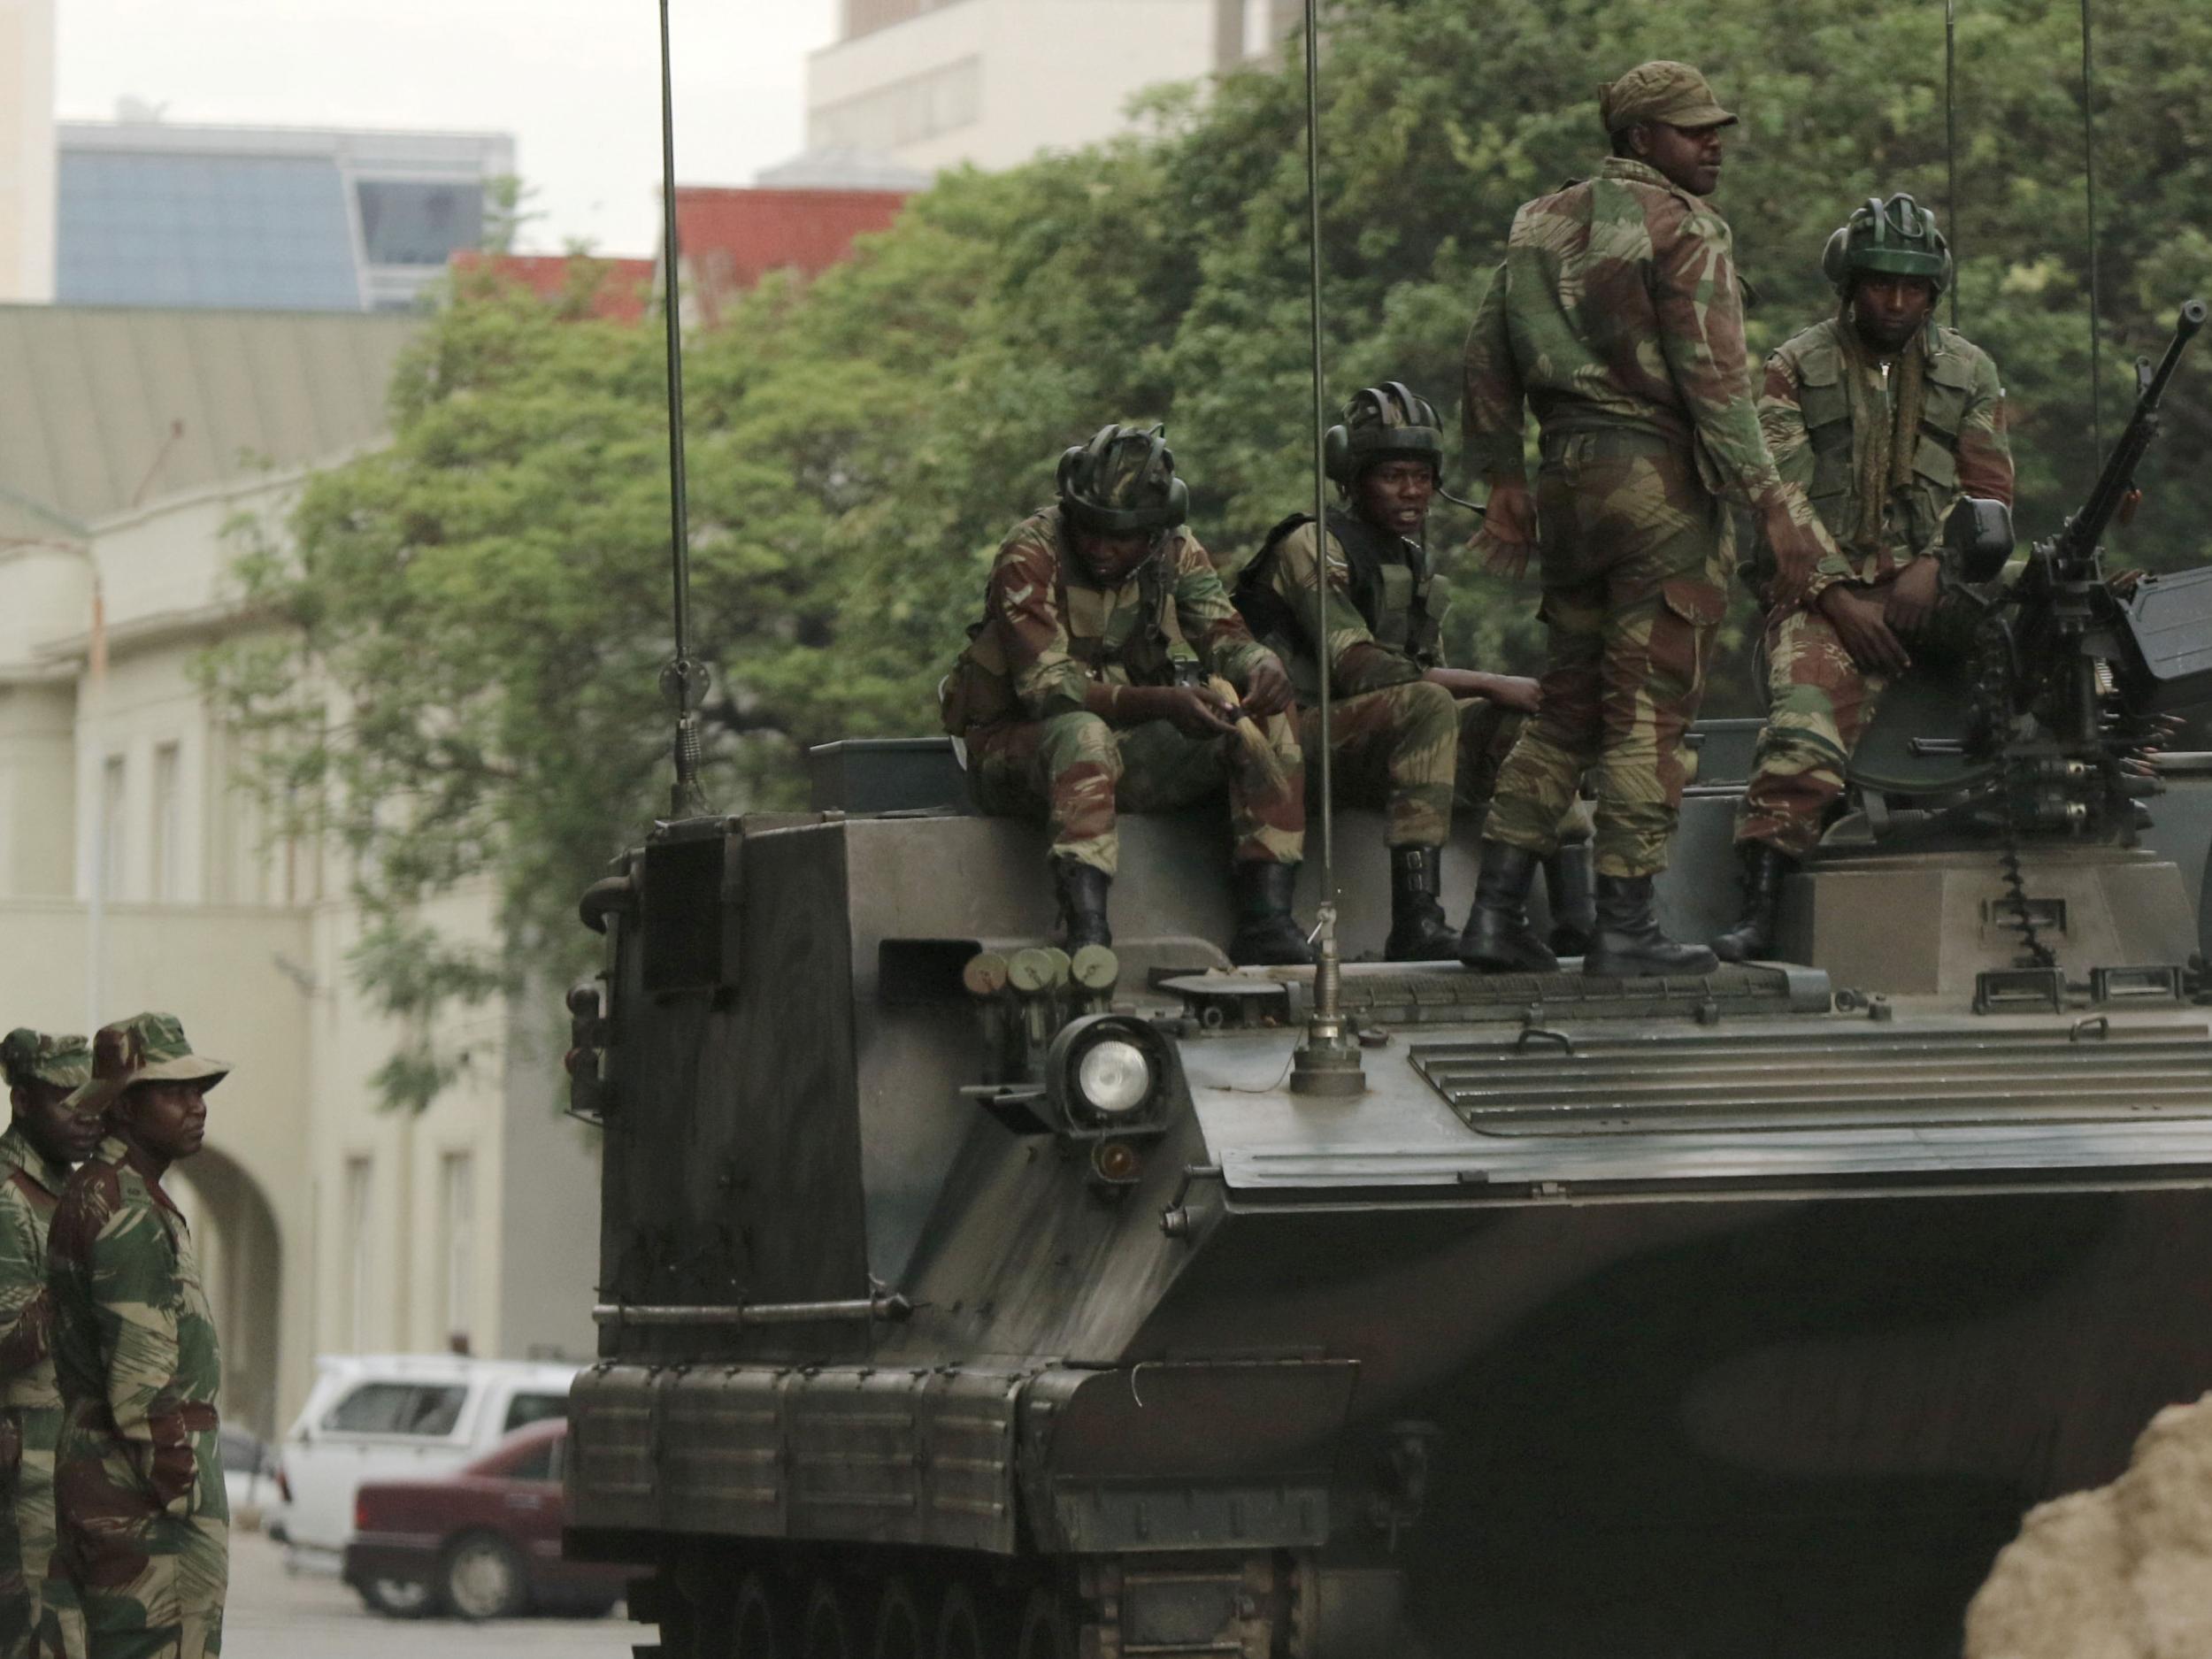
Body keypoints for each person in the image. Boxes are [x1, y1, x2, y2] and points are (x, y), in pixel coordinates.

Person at [1458, 58, 1836, 978]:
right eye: (1689, 128)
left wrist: (1504, 477)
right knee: (1647, 712)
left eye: (1713, 126)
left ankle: (1495, 917)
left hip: (1569, 482)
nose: (1712, 143)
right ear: (1638, 140)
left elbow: (1486, 350)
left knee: (1566, 707)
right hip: (1657, 483)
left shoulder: (1538, 221)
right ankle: (1627, 924)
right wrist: (1774, 511)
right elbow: (1716, 380)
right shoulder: (1687, 226)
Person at [1710, 194, 2014, 961]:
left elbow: (1989, 491)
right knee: (1804, 723)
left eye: (1915, 288)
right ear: (1850, 283)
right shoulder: (1795, 368)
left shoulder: (1968, 370)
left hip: (1935, 586)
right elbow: (1779, 497)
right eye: (1883, 283)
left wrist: (1933, 566)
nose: (1899, 301)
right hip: (1823, 590)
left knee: (2050, 634)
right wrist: (1841, 598)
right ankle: (1764, 902)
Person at [1227, 382, 1591, 960]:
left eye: (1423, 476)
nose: (1412, 491)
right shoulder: (1311, 543)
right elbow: (1360, 667)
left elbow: (1427, 671)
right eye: (1393, 475)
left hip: (1374, 742)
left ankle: (1577, 914)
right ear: (1354, 478)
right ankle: (1417, 919)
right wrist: (1493, 681)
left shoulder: (1412, 562)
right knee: (1437, 703)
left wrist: (1512, 700)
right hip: (1291, 741)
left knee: (1525, 724)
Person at [942, 424, 1314, 964]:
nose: (1100, 547)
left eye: (1121, 536)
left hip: (1129, 748)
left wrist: (1260, 665)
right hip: (1017, 751)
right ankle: (1087, 933)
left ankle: (1267, 917)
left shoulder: (1176, 551)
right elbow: (1048, 689)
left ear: (1156, 531)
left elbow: (1222, 633)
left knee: (1267, 717)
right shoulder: (1030, 552)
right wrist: (1162, 703)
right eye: (1089, 528)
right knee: (1083, 734)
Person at [41, 1015, 230, 1659]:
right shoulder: (126, 1208)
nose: (197, 1105)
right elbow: (141, 1385)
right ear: (124, 1105)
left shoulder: (103, 1191)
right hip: (145, 1508)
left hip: (110, 1483)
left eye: (200, 1089)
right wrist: (185, 1493)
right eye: (174, 1091)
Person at [0, 1032, 97, 1659]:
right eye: (67, 1099)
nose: (85, 1114)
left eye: (92, 1099)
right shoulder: (8, 1195)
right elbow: (9, 1337)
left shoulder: (66, 1188)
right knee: (35, 1631)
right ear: (22, 1101)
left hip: (63, 1447)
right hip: (24, 1449)